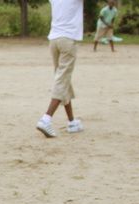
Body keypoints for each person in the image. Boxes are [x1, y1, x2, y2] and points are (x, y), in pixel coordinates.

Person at [37, 0, 85, 137]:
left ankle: (72, 121)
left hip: (54, 40)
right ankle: (46, 118)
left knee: (63, 80)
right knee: (62, 80)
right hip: (68, 40)